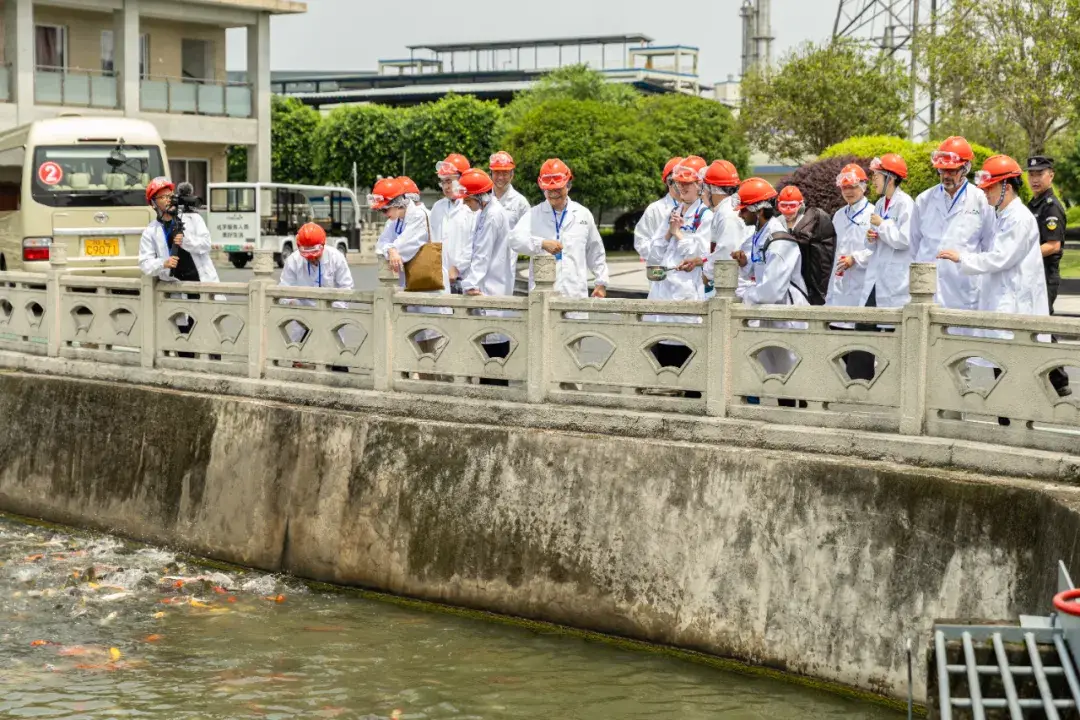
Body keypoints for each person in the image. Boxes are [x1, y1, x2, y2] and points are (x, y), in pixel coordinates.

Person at [937, 155, 1050, 425]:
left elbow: (1001, 258)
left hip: (1015, 306)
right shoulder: (1003, 216)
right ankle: (1010, 426)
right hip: (1004, 303)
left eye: (990, 188)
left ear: (1006, 188)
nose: (985, 193)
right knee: (1004, 374)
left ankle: (1018, 429)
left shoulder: (1018, 218)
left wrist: (962, 258)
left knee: (1013, 375)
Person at [730, 177, 809, 407]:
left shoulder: (779, 240)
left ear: (758, 210)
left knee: (791, 377)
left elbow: (773, 289)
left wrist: (747, 296)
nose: (740, 214)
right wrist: (745, 262)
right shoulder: (760, 234)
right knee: (777, 374)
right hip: (771, 313)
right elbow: (759, 268)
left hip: (786, 313)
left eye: (744, 209)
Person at [909, 136, 997, 313]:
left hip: (964, 290)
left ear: (965, 168)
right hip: (928, 290)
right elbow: (914, 244)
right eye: (942, 170)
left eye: (952, 170)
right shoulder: (924, 200)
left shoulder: (981, 199)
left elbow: (990, 245)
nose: (946, 176)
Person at [373, 176, 452, 367]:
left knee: (437, 352)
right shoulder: (396, 220)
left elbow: (404, 248)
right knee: (419, 352)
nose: (384, 214)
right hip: (411, 289)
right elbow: (380, 245)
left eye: (386, 209)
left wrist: (392, 249)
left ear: (398, 203)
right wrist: (390, 249)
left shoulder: (418, 215)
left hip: (430, 291)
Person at [138, 177, 219, 358]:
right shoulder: (151, 230)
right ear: (153, 204)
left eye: (170, 195)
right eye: (162, 197)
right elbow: (144, 263)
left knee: (209, 333)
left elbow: (206, 244)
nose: (168, 199)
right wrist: (163, 264)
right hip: (175, 288)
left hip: (200, 283)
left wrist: (185, 241)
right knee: (183, 338)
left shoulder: (193, 219)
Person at [509, 158, 608, 300]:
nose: (553, 193)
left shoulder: (583, 215)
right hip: (542, 297)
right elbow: (514, 240)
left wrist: (601, 283)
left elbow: (595, 250)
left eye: (558, 188)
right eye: (549, 190)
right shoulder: (533, 215)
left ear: (568, 185)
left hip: (575, 294)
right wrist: (541, 243)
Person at [458, 168, 515, 386]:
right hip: (488, 286)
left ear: (478, 196)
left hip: (492, 289)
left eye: (467, 199)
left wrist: (470, 283)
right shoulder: (486, 212)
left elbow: (482, 253)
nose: (465, 203)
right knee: (487, 355)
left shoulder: (492, 214)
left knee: (494, 356)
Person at [278, 222, 354, 367]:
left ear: (323, 245)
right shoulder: (293, 260)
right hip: (303, 315)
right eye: (307, 256)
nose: (312, 258)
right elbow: (284, 290)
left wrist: (334, 310)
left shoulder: (336, 258)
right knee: (300, 358)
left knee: (336, 358)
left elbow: (346, 288)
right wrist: (291, 302)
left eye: (315, 255)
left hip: (332, 314)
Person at [1026, 155, 1071, 397]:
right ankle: (1054, 379)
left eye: (1039, 174)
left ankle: (1059, 380)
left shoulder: (1051, 206)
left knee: (1043, 326)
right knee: (1039, 326)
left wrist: (1023, 255)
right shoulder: (1033, 204)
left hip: (1046, 275)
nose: (1034, 179)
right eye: (1031, 174)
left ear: (1050, 175)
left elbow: (1053, 245)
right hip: (1033, 275)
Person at [677, 160, 748, 295]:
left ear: (711, 188)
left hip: (736, 288)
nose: (701, 193)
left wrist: (706, 275)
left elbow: (725, 252)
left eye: (703, 188)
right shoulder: (723, 210)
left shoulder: (727, 214)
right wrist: (700, 261)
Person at [864, 154, 913, 310]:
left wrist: (882, 225)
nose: (873, 180)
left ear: (890, 179)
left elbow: (904, 240)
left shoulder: (905, 203)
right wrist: (870, 238)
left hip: (897, 279)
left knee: (894, 326)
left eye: (877, 175)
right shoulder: (879, 203)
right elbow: (874, 241)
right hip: (880, 275)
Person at [773, 184, 836, 306]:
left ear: (800, 205)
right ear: (778, 205)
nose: (788, 210)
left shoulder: (808, 223)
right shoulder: (776, 223)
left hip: (804, 272)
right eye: (784, 205)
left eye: (792, 205)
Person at [429, 153, 476, 294]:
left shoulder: (472, 207)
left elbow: (474, 243)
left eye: (449, 181)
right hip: (440, 278)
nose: (446, 186)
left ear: (463, 179)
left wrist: (457, 268)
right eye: (443, 182)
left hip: (465, 277)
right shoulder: (438, 207)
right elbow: (432, 240)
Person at [634, 157, 684, 286]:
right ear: (669, 181)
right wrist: (658, 251)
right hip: (661, 275)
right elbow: (641, 242)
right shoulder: (655, 210)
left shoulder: (698, 209)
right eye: (679, 180)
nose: (684, 184)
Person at [488, 151, 530, 229]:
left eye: (505, 173)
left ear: (512, 175)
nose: (500, 177)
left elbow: (528, 234)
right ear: (491, 173)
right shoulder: (484, 199)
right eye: (496, 172)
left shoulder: (521, 203)